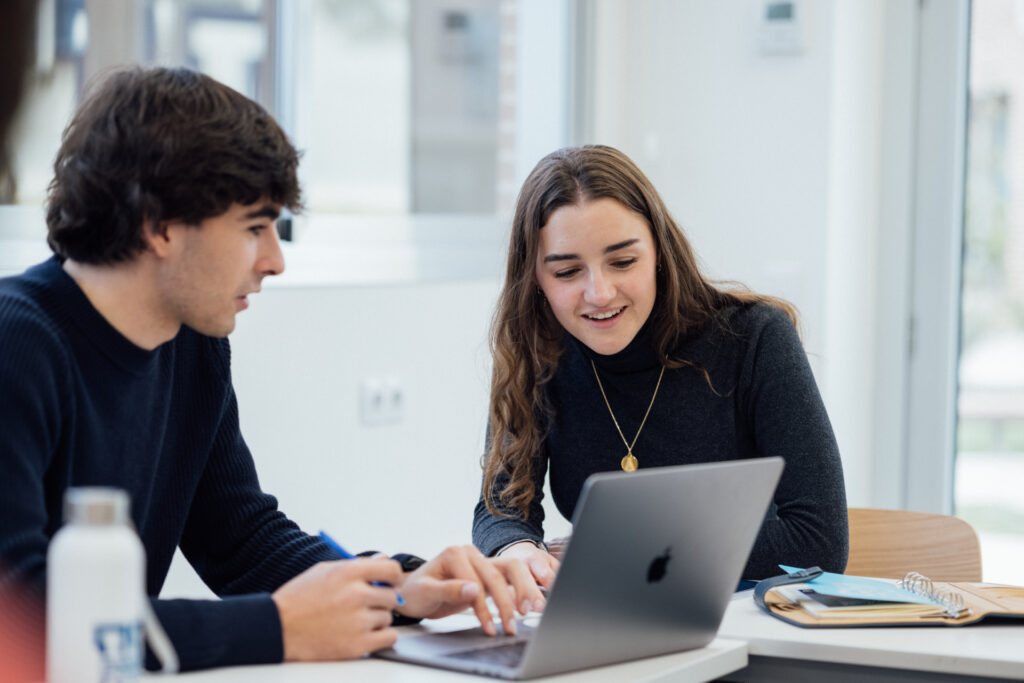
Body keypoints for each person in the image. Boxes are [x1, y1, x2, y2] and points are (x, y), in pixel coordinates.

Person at [0, 66, 543, 674]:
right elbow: (19, 617)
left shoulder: (191, 345)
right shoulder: (16, 343)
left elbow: (242, 540)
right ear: (159, 225)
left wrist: (397, 587)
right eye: (255, 227)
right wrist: (278, 627)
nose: (275, 262)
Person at [472, 145, 849, 586]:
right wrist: (517, 549)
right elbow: (502, 508)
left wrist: (615, 547)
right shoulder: (538, 352)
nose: (600, 293)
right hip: (612, 614)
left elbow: (818, 539)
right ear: (534, 278)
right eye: (567, 272)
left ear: (659, 251)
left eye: (623, 262)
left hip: (742, 619)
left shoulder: (755, 338)